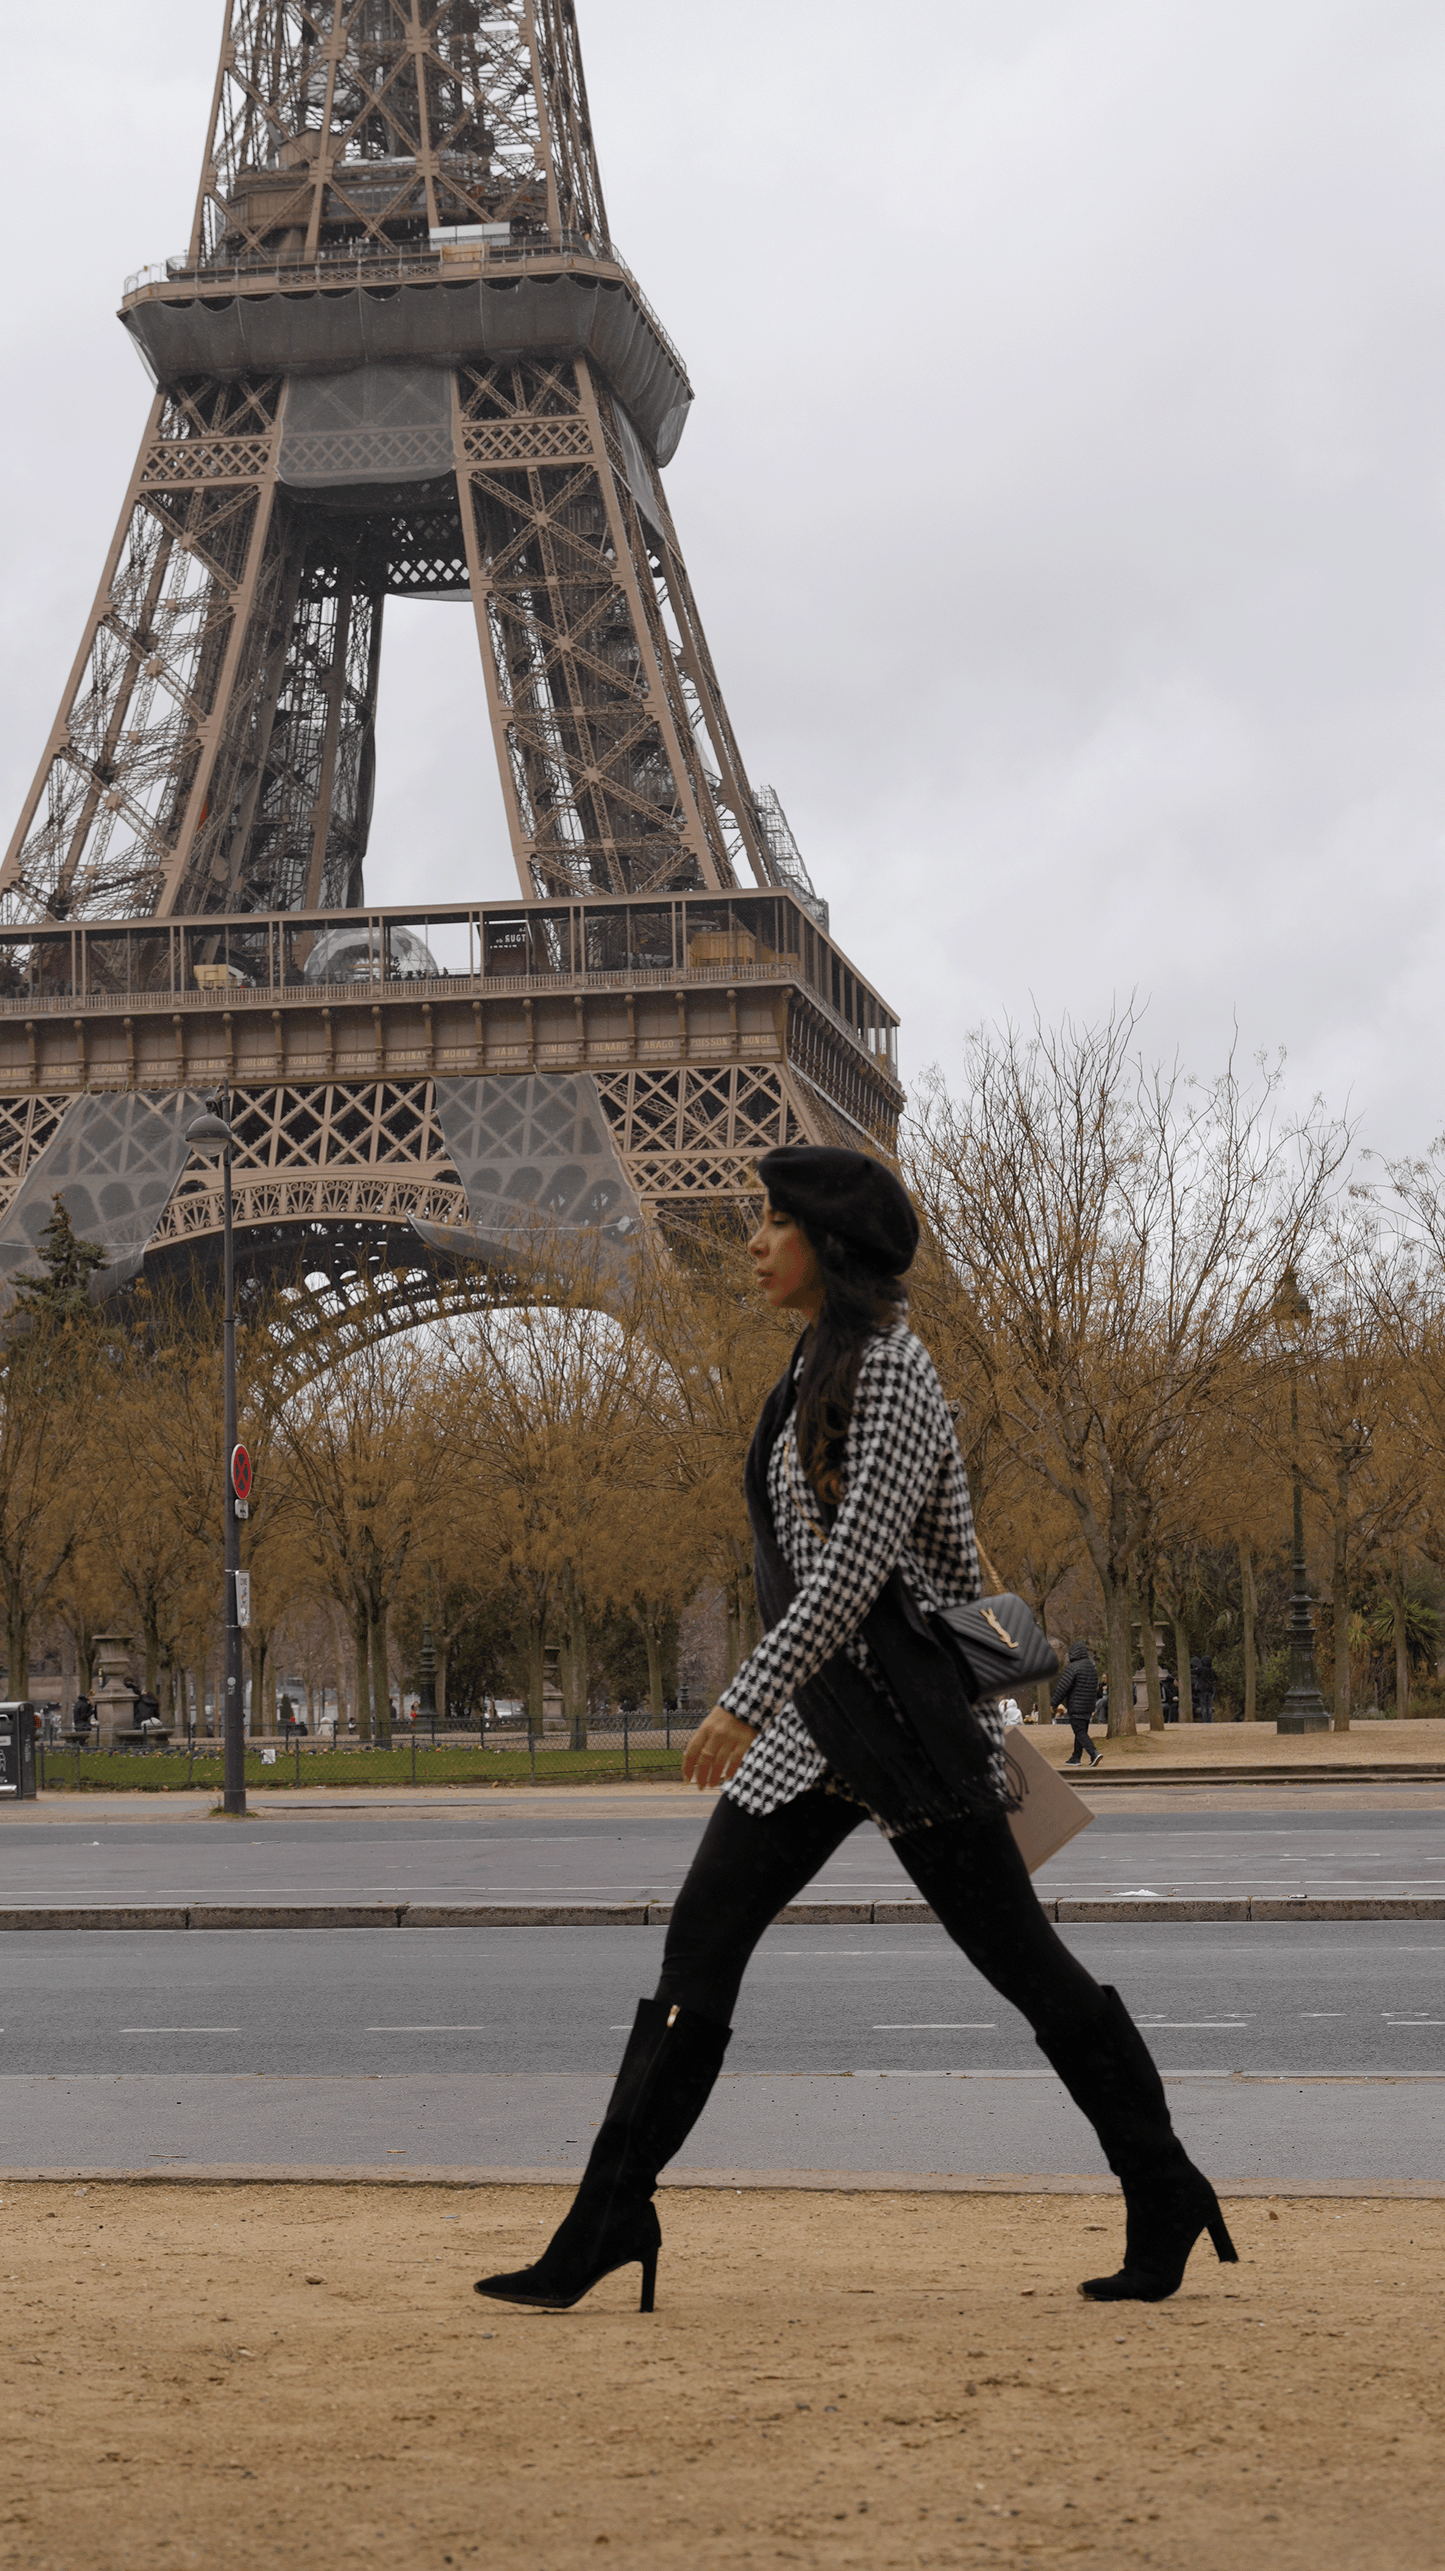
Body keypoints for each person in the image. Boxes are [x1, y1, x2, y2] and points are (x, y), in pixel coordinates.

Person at [473, 1146, 1237, 2318]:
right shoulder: (809, 1364)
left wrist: (740, 1698)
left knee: (1025, 1967)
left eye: (771, 1223)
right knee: (697, 1948)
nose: (749, 1242)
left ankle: (1164, 2184)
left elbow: (847, 1574)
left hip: (903, 1728)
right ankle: (607, 2215)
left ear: (827, 1243)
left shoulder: (892, 1370)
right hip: (820, 1730)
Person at [1052, 1642, 1102, 1767]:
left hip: (1076, 1706)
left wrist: (1054, 1703)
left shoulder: (1073, 1667)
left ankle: (1093, 1753)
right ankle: (1076, 1757)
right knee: (1081, 1731)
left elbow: (1062, 1687)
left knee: (1079, 1732)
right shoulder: (1091, 1667)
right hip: (1088, 1706)